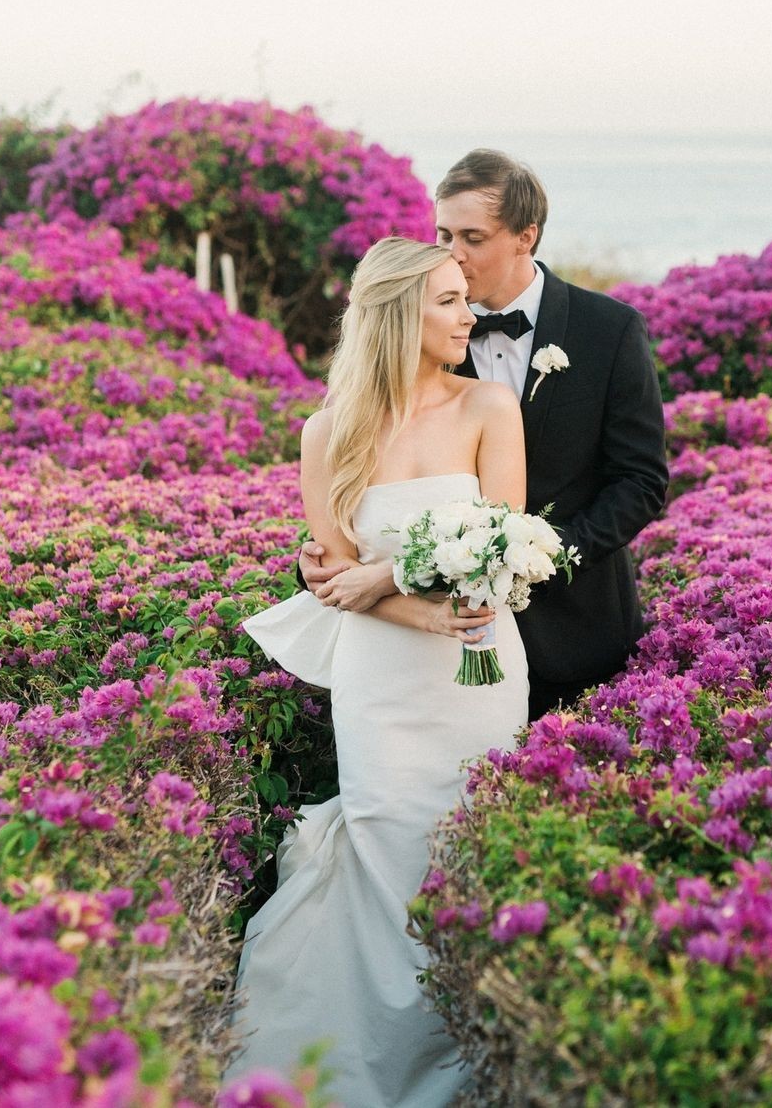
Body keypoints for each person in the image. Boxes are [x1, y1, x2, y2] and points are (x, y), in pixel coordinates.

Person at [228, 237, 529, 1107]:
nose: (468, 315)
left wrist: (387, 576)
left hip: (475, 669)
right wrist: (407, 599)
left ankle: (475, 1051)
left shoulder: (489, 408)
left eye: (464, 296)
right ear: (398, 314)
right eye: (447, 299)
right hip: (381, 677)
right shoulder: (327, 433)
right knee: (387, 837)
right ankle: (371, 1062)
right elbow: (332, 579)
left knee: (463, 847)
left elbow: (503, 550)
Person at [305, 149, 669, 720]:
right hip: (428, 649)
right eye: (444, 233)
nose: (453, 254)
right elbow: (370, 475)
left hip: (576, 631)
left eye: (472, 237)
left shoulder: (611, 330)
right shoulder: (424, 333)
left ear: (526, 236)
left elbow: (641, 482)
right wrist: (320, 565)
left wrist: (524, 562)